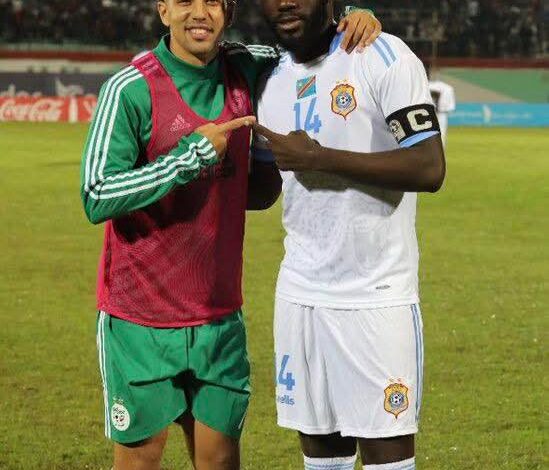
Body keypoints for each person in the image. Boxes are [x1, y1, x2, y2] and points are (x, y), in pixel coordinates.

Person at [80, 0, 381, 468]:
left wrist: (351, 16)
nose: (200, 13)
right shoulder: (130, 88)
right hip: (141, 319)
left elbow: (306, 38)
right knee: (139, 460)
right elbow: (97, 193)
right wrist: (192, 157)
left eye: (214, 2)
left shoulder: (249, 67)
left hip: (219, 318)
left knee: (221, 461)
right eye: (185, 2)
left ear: (230, 13)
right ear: (163, 10)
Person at [253, 0, 446, 469]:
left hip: (375, 297)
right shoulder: (266, 77)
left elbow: (428, 166)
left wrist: (321, 159)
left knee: (388, 458)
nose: (286, 2)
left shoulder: (382, 56)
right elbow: (263, 190)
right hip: (299, 295)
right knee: (322, 459)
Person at [428, 67, 456, 147]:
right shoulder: (448, 88)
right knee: (441, 134)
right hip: (441, 114)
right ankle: (439, 150)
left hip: (427, 113)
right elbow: (450, 107)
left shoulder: (424, 85)